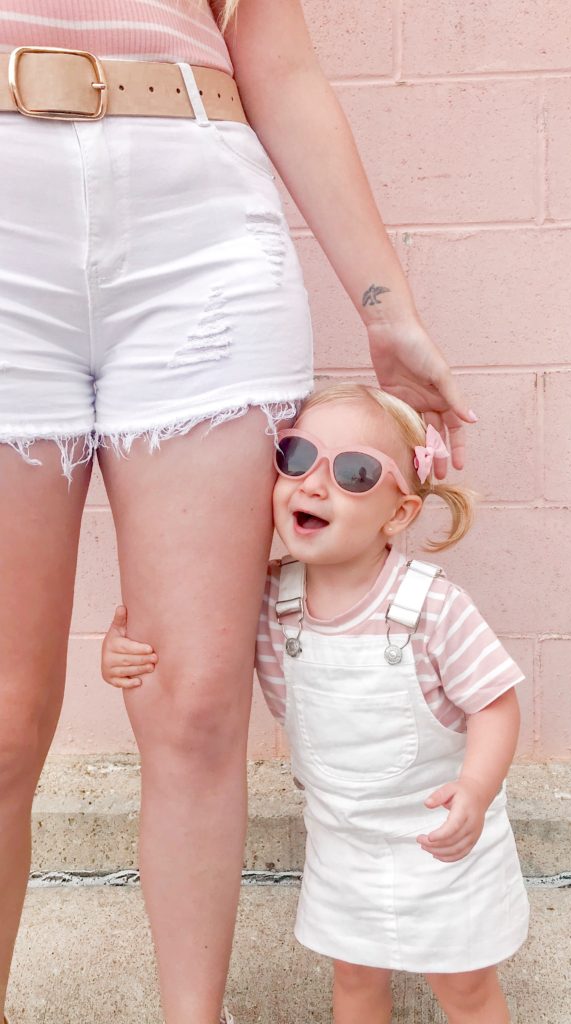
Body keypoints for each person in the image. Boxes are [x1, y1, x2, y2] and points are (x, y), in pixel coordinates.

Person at [0, 3, 479, 1022]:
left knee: (195, 700)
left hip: (197, 235)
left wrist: (387, 315)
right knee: (1, 722)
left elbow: (281, 65)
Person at [102, 382, 529, 1024]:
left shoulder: (431, 607)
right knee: (355, 982)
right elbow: (190, 641)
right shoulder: (270, 597)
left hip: (441, 841)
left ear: (399, 514)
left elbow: (495, 703)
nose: (313, 484)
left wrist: (475, 788)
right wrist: (120, 650)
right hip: (343, 841)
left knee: (463, 988)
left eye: (355, 473)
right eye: (296, 457)